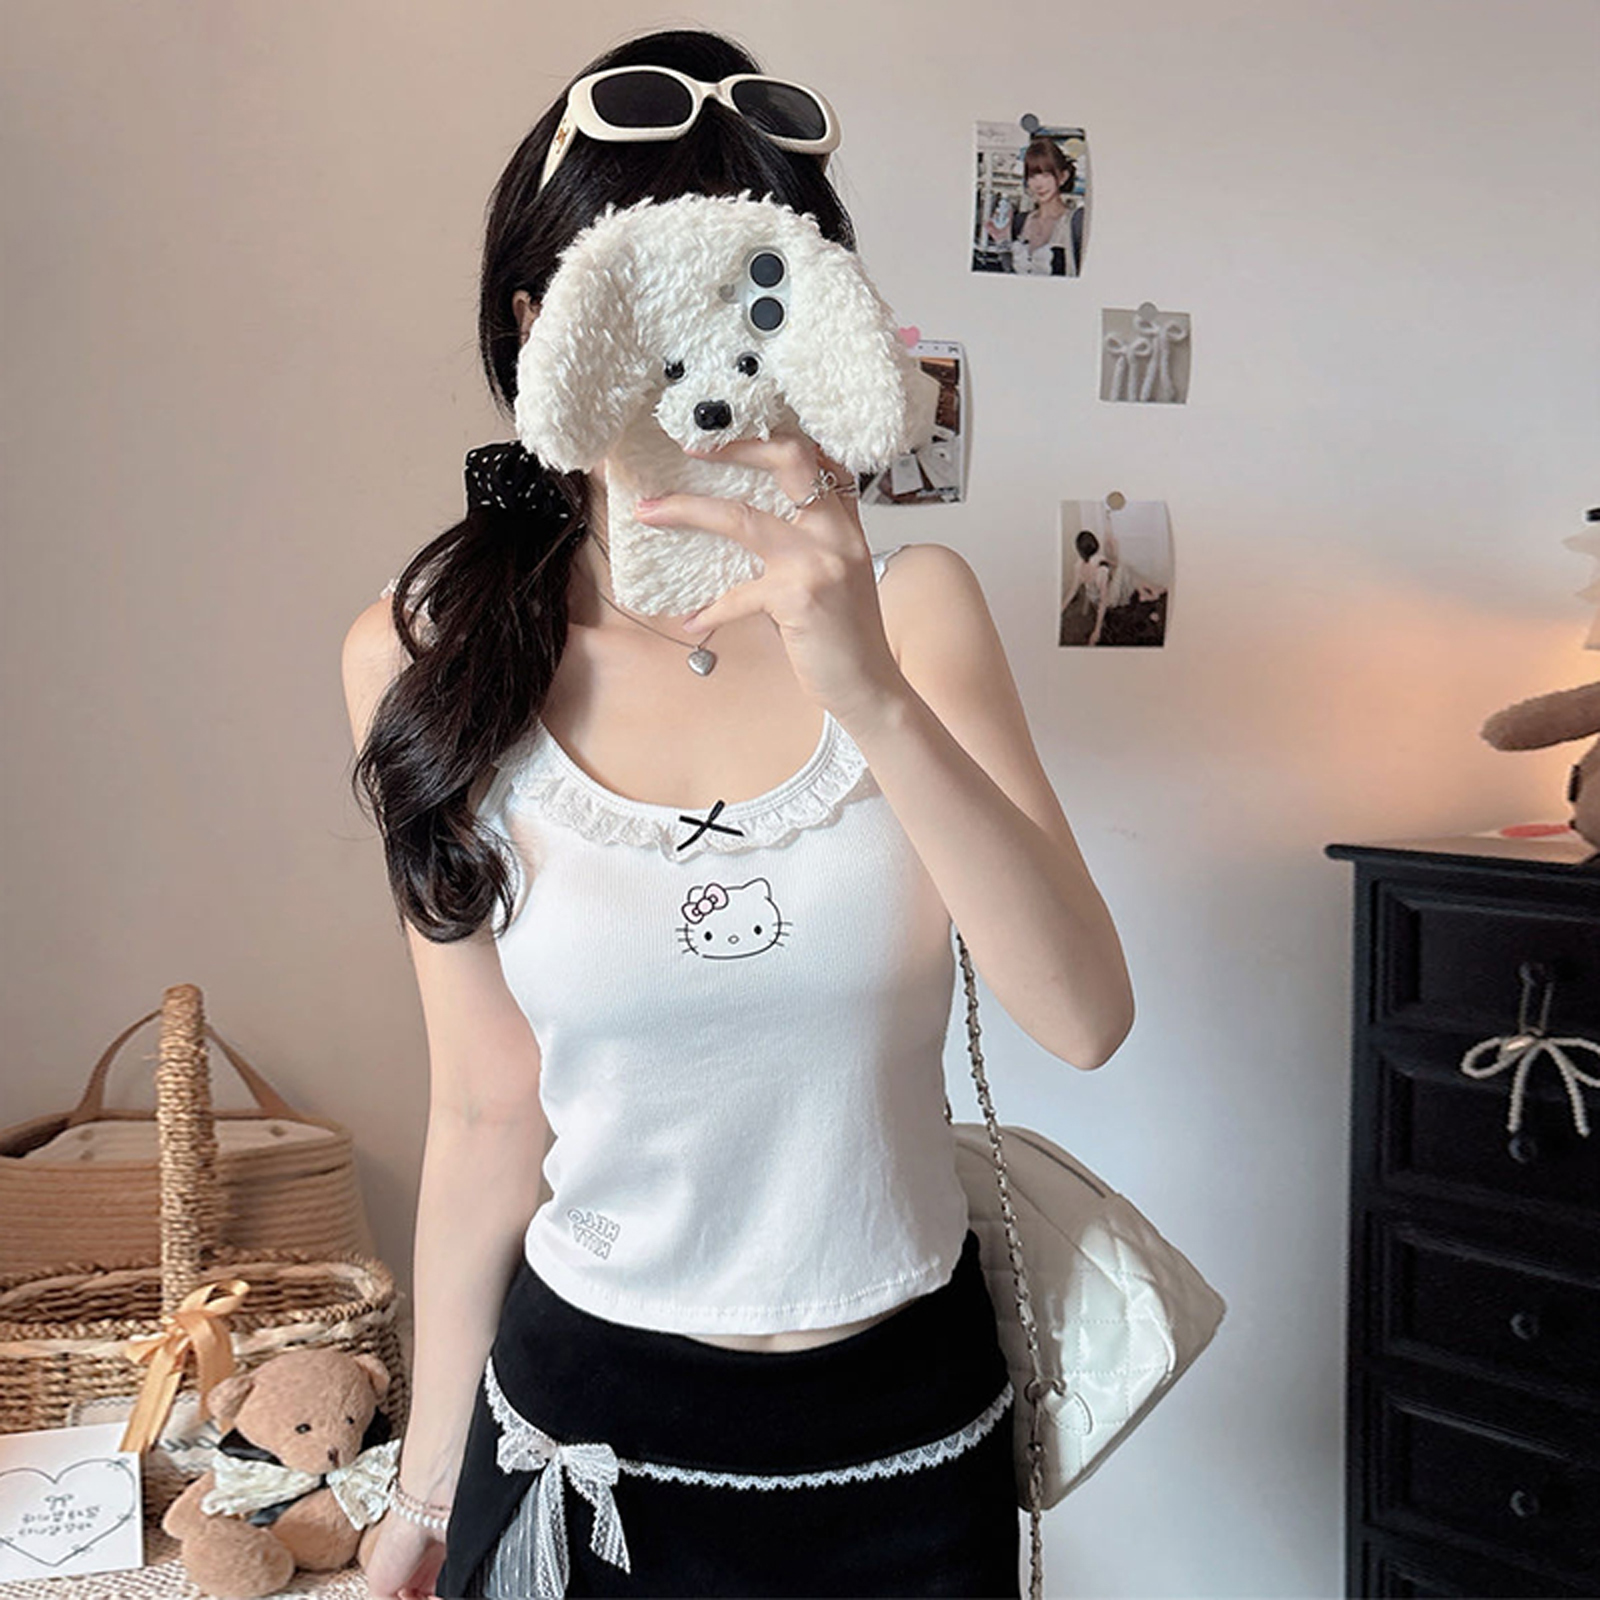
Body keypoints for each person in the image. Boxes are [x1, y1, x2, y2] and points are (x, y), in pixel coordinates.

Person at [343, 26, 1134, 1600]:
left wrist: (870, 688)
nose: (709, 360)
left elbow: (1084, 1017)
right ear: (541, 325)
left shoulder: (917, 612)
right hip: (584, 1443)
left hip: (907, 1436)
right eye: (653, 298)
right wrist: (423, 1494)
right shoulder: (425, 653)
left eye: (762, 291)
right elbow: (490, 1108)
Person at [985, 137, 1083, 276]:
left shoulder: (1076, 222)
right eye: (1032, 176)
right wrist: (1002, 241)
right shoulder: (1020, 221)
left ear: (1063, 177)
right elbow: (1010, 274)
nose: (1039, 184)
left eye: (1046, 175)